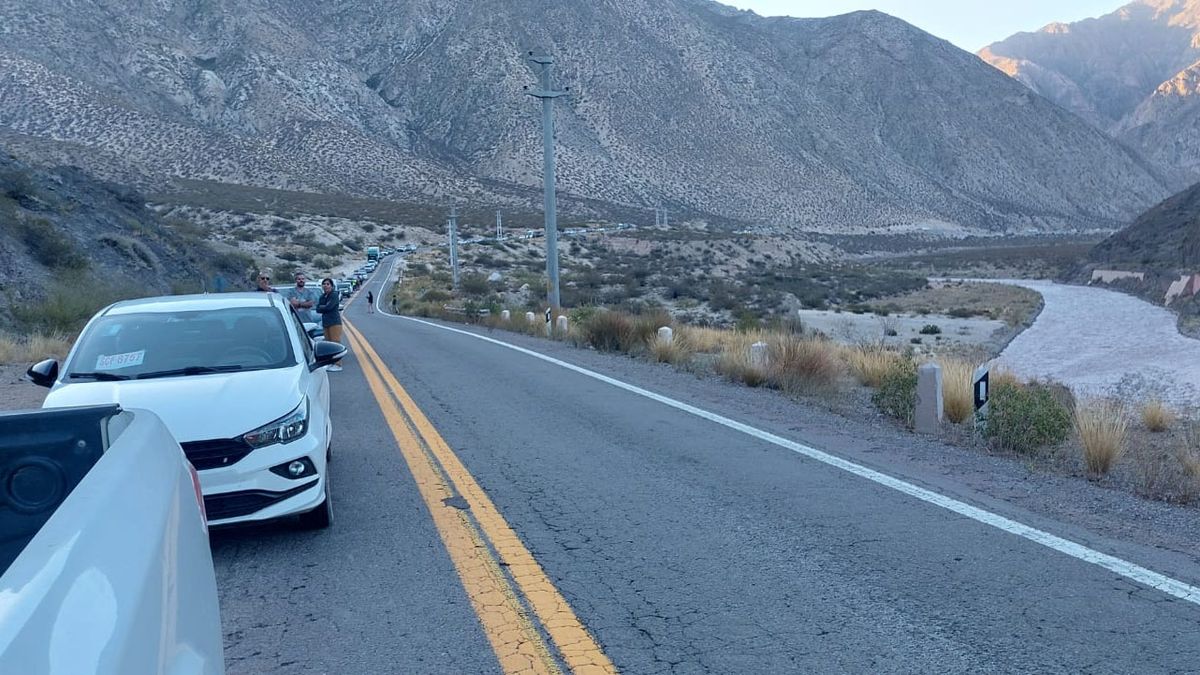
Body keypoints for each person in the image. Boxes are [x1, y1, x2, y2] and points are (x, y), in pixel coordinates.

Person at [316, 278, 344, 372]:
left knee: (335, 343)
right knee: (328, 344)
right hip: (326, 322)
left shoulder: (334, 295)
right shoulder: (322, 296)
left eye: (328, 284)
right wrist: (323, 307)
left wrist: (323, 307)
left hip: (334, 322)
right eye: (324, 284)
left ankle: (338, 364)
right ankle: (330, 363)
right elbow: (318, 309)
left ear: (331, 286)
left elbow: (329, 307)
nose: (325, 285)